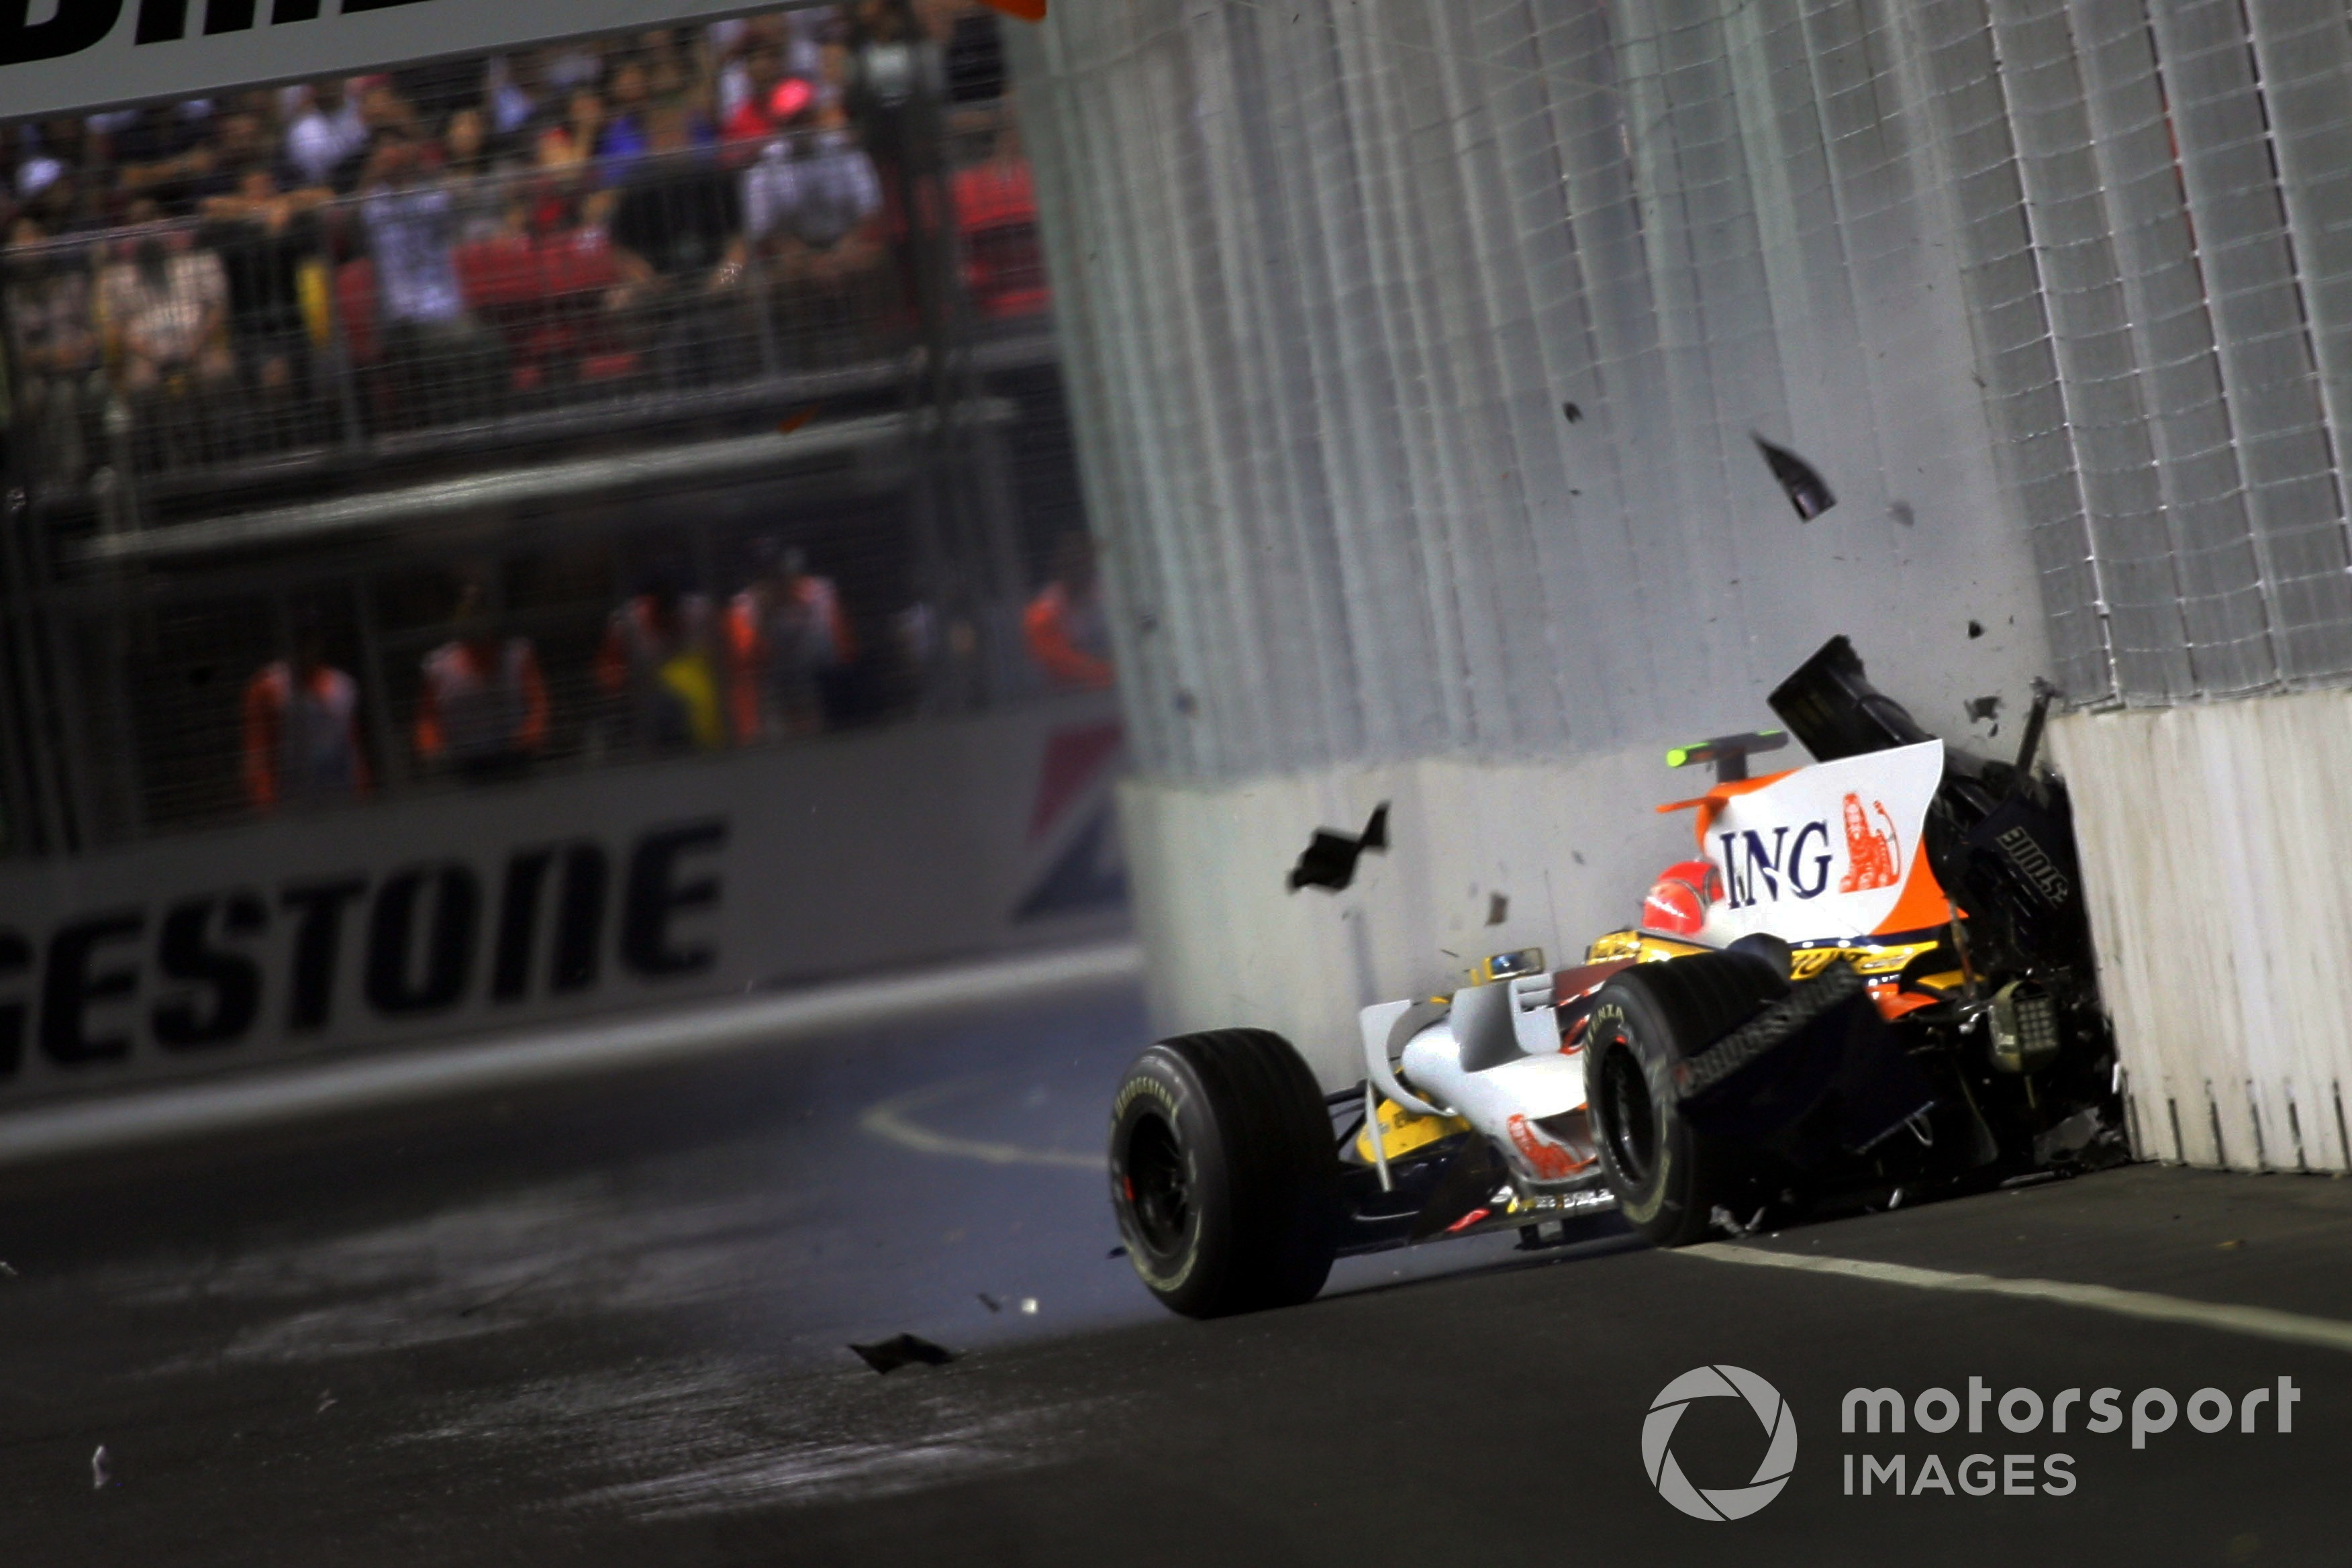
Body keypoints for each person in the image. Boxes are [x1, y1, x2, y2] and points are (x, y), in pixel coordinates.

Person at [415, 585, 549, 781]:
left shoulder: (518, 655)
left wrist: (530, 736)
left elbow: (538, 703)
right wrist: (433, 750)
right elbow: (428, 718)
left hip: (515, 757)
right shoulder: (439, 666)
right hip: (463, 764)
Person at [725, 542, 854, 741]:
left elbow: (844, 651)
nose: (773, 580)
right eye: (765, 574)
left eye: (777, 571)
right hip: (771, 708)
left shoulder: (820, 594)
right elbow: (744, 668)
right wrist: (763, 621)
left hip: (818, 698)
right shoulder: (743, 608)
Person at [242, 617, 368, 810]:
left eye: (308, 639)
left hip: (341, 797)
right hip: (291, 802)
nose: (304, 646)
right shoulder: (269, 686)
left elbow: (352, 748)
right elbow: (258, 751)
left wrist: (362, 796)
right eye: (297, 639)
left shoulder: (342, 685)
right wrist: (267, 806)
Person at [595, 580, 729, 754]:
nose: (670, 620)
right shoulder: (628, 623)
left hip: (694, 695)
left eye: (675, 615)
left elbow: (721, 661)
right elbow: (607, 673)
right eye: (664, 616)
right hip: (642, 698)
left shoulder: (700, 614)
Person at [1024, 531, 1113, 691]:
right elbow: (1062, 666)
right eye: (1072, 563)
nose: (1079, 570)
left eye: (1084, 562)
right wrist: (1112, 672)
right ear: (1060, 567)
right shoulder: (1044, 613)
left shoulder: (1112, 594)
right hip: (1074, 698)